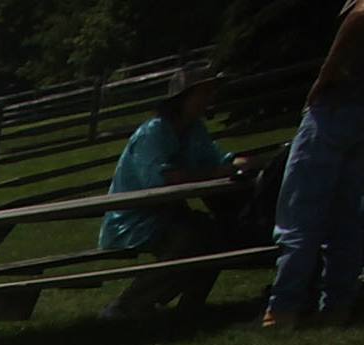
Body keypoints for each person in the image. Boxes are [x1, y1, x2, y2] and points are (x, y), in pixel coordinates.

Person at [97, 71, 248, 320]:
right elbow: (160, 180)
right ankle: (124, 307)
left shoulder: (194, 130)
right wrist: (213, 173)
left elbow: (218, 161)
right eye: (205, 92)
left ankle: (191, 307)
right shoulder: (153, 133)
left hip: (171, 214)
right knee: (188, 241)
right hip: (136, 218)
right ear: (184, 98)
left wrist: (250, 164)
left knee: (217, 235)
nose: (212, 97)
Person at [268, 0, 364, 328]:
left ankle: (283, 308)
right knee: (346, 216)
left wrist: (323, 78)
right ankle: (337, 304)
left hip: (337, 106)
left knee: (300, 210)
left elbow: (361, 12)